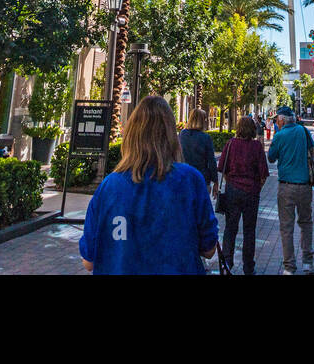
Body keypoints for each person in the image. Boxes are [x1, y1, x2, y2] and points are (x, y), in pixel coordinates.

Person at [79, 95, 219, 275]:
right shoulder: (190, 180)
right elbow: (209, 249)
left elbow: (88, 261)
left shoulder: (109, 186)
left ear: (131, 135)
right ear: (170, 136)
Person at [266, 106, 314, 274]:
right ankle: (308, 263)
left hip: (286, 186)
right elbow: (312, 151)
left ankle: (289, 267)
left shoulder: (279, 135)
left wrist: (276, 139)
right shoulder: (303, 131)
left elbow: (271, 157)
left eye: (277, 120)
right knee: (306, 223)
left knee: (286, 228)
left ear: (282, 120)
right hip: (305, 185)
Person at [218, 115, 269, 275]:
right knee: (249, 230)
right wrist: (257, 188)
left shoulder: (231, 144)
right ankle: (248, 267)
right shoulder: (256, 147)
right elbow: (263, 173)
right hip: (251, 192)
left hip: (233, 190)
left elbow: (222, 167)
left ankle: (227, 263)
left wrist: (230, 182)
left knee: (230, 228)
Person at [179, 108, 219, 192]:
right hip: (201, 178)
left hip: (184, 177)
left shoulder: (182, 134)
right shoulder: (205, 137)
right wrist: (215, 181)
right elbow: (211, 161)